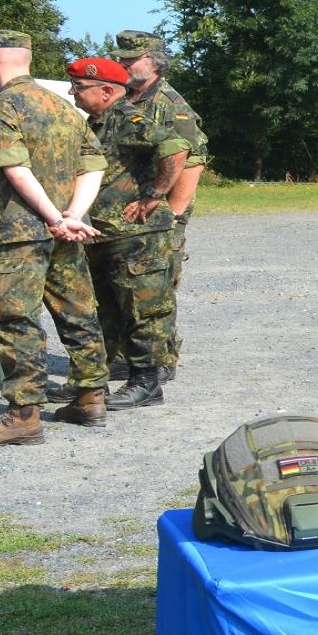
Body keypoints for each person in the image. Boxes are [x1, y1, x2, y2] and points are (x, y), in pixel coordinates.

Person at [0, 31, 108, 447]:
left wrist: (52, 217)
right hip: (65, 231)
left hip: (21, 231)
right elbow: (94, 164)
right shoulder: (62, 106)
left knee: (16, 318)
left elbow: (15, 168)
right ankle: (90, 396)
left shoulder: (2, 106)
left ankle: (23, 415)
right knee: (78, 311)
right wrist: (72, 216)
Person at [64, 55, 189, 415]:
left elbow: (176, 146)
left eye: (80, 87)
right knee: (106, 308)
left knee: (142, 308)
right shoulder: (97, 123)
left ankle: (147, 381)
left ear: (106, 91)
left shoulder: (127, 119)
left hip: (138, 234)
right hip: (105, 232)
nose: (73, 93)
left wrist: (155, 194)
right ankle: (94, 379)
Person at [112, 30, 208, 382]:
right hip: (125, 215)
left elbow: (192, 160)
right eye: (121, 57)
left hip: (159, 216)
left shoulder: (171, 105)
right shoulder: (124, 97)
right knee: (123, 287)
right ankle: (126, 355)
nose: (123, 62)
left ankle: (162, 359)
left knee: (157, 290)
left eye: (130, 57)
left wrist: (173, 215)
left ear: (153, 62)